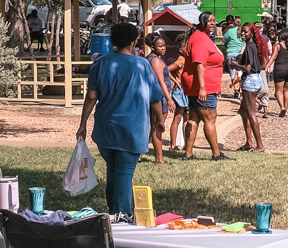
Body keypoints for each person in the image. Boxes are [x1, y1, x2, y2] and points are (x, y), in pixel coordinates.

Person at [76, 21, 165, 218]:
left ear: (113, 41)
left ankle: (112, 214)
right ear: (135, 41)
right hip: (132, 129)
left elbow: (91, 97)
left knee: (113, 172)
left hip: (106, 128)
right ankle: (121, 218)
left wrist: (82, 124)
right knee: (124, 174)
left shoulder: (100, 64)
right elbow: (156, 98)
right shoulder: (143, 65)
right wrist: (160, 121)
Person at [182, 12, 228, 160]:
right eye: (210, 21)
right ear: (203, 23)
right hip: (203, 86)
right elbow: (200, 64)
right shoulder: (200, 39)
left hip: (198, 85)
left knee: (194, 118)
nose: (213, 24)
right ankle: (216, 154)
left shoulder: (201, 37)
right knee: (210, 118)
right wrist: (202, 88)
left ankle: (188, 153)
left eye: (214, 21)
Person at [235, 22, 269, 152]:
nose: (242, 34)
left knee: (250, 113)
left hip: (250, 80)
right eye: (242, 31)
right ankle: (248, 142)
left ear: (252, 33)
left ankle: (259, 145)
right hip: (255, 79)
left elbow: (248, 68)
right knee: (243, 112)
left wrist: (234, 65)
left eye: (245, 32)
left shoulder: (250, 47)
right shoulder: (252, 46)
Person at [147, 31, 181, 160]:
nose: (163, 48)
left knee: (153, 127)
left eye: (164, 46)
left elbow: (166, 74)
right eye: (160, 46)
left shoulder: (152, 59)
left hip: (158, 96)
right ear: (153, 47)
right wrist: (169, 98)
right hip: (159, 98)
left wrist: (175, 81)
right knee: (158, 127)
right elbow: (160, 81)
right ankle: (159, 158)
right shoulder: (155, 61)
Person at [269, 25, 288, 116]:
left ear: (281, 36)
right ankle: (285, 109)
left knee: (278, 90)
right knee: (286, 91)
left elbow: (273, 58)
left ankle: (281, 107)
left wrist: (266, 67)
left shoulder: (277, 45)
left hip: (279, 69)